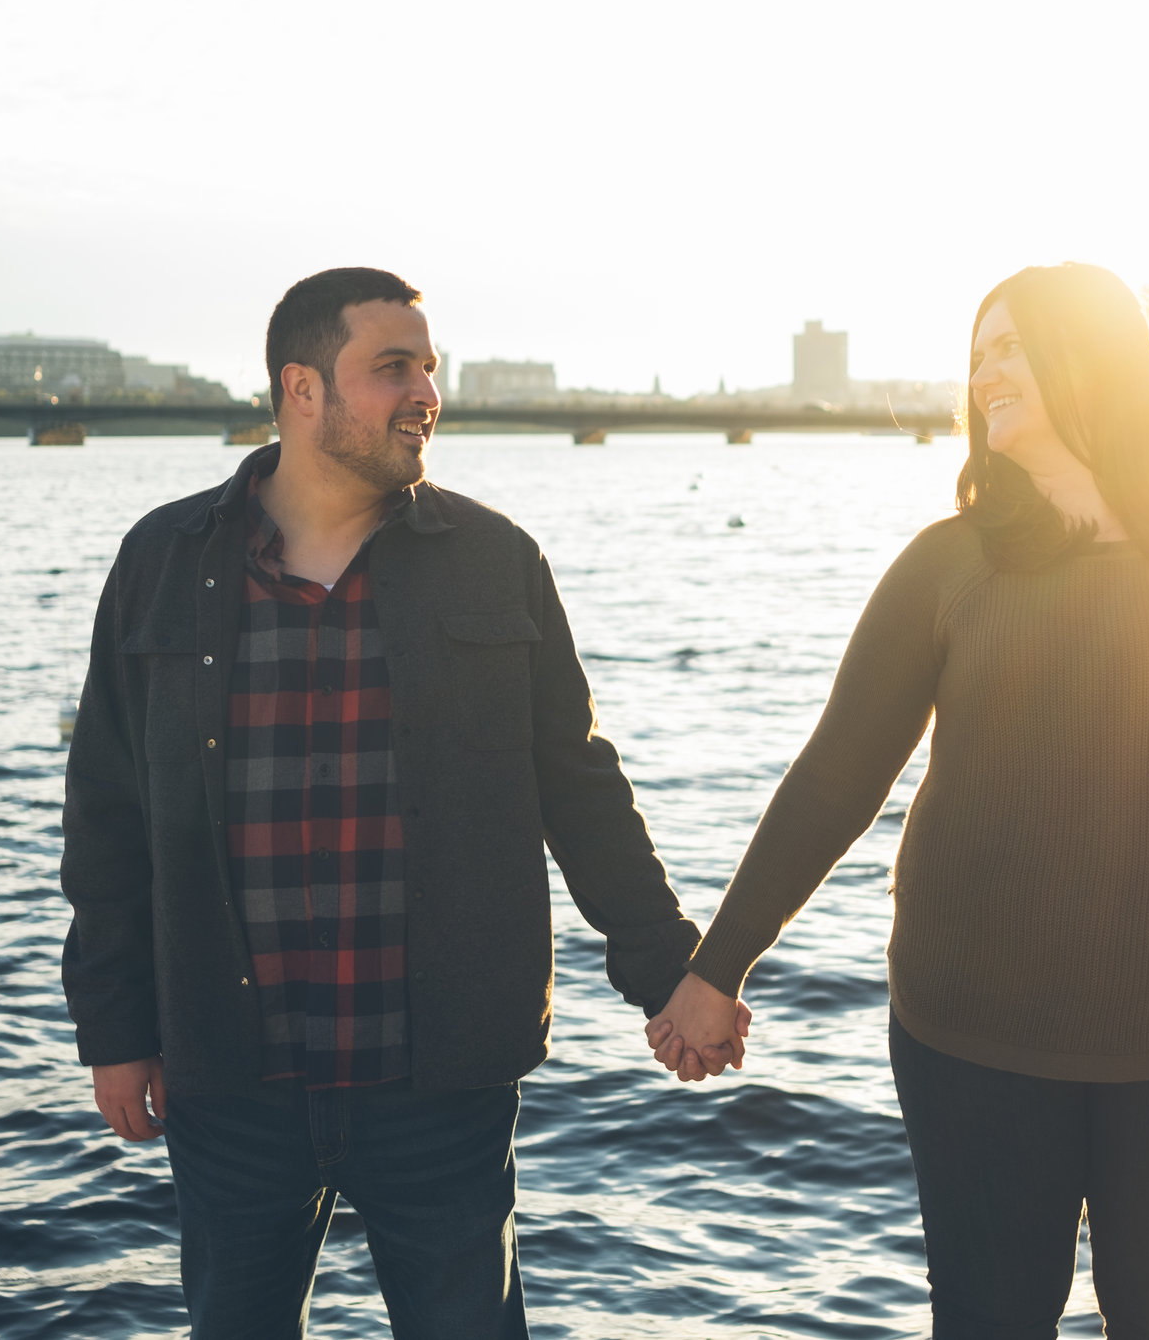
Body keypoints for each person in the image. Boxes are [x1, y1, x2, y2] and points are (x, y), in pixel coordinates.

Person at [649, 262, 1149, 1338]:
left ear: (1094, 359)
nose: (986, 375)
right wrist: (716, 964)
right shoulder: (946, 567)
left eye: (1012, 346)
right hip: (971, 1042)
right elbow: (836, 777)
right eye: (978, 355)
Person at [61, 267, 716, 1339]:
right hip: (231, 1078)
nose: (426, 391)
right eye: (392, 366)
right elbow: (107, 817)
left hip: (440, 1076)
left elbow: (579, 786)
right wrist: (115, 1025)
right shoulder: (163, 563)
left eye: (429, 365)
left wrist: (671, 972)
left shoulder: (494, 562)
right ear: (302, 389)